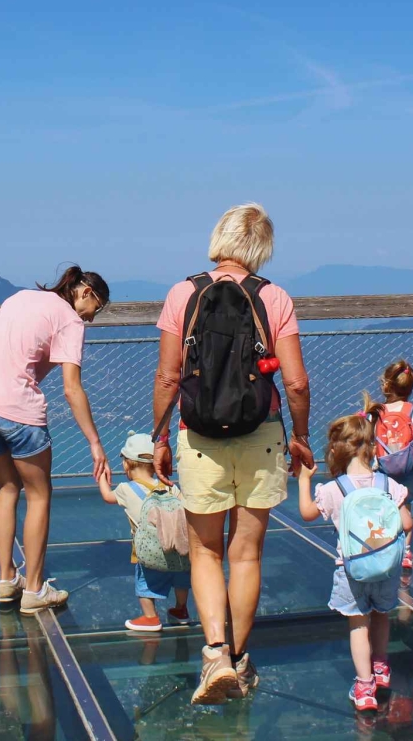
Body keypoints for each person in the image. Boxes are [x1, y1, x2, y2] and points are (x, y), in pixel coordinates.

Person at [150, 202, 314, 705]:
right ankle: (240, 661)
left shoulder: (185, 293)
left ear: (219, 237)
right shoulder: (274, 298)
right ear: (261, 248)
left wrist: (159, 439)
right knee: (246, 554)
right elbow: (296, 381)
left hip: (199, 437)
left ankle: (215, 653)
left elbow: (168, 376)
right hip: (260, 433)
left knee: (206, 551)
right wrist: (300, 436)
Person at [0, 266, 112, 614]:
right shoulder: (70, 321)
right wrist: (94, 442)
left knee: (6, 488)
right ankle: (33, 589)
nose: (92, 318)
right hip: (19, 414)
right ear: (86, 292)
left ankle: (6, 581)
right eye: (98, 308)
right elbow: (71, 388)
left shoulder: (20, 297)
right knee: (39, 494)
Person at [296, 413, 412, 713]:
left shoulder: (335, 489)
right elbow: (407, 522)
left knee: (358, 624)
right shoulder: (388, 485)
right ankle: (382, 666)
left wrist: (303, 480)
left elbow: (307, 513)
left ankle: (364, 686)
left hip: (351, 570)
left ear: (336, 450)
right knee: (382, 615)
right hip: (387, 568)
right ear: (372, 448)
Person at [95, 432, 192, 632]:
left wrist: (102, 477)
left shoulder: (125, 489)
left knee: (145, 581)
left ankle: (150, 617)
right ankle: (181, 610)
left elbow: (107, 496)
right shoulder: (169, 487)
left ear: (126, 465)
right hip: (178, 547)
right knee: (181, 579)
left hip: (150, 550)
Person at [360, 359, 413, 572]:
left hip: (382, 469)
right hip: (409, 469)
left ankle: (383, 546)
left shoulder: (376, 412)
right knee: (405, 508)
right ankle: (406, 551)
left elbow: (368, 440)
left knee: (382, 509)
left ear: (385, 385)